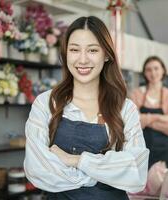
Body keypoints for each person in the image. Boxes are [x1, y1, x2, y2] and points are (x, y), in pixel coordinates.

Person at [24, 16, 149, 200]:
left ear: (106, 54)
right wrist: (103, 173)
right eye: (74, 50)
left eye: (92, 50)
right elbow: (38, 168)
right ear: (66, 54)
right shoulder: (47, 103)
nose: (82, 59)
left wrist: (75, 160)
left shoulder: (125, 108)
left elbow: (136, 171)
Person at [130, 56, 168, 168]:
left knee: (164, 184)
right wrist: (161, 118)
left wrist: (145, 119)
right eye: (149, 69)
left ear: (163, 70)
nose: (153, 73)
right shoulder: (136, 94)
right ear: (144, 73)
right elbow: (133, 122)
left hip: (165, 150)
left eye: (156, 68)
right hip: (141, 149)